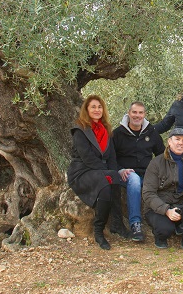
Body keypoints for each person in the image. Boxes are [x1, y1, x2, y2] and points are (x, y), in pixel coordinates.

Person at [67, 95, 124, 250]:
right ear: (86, 109)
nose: (97, 110)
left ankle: (117, 224)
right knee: (105, 183)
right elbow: (87, 157)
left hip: (98, 170)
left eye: (99, 107)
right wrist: (108, 172)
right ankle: (98, 231)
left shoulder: (106, 130)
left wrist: (113, 172)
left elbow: (111, 156)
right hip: (81, 172)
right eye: (93, 107)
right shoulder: (80, 130)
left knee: (115, 179)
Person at [112, 101, 165, 242]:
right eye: (134, 112)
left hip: (147, 175)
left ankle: (167, 224)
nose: (137, 115)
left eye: (140, 113)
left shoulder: (151, 132)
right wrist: (120, 170)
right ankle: (136, 225)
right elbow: (110, 158)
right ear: (129, 113)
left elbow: (162, 155)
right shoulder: (117, 134)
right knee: (134, 180)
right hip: (127, 175)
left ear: (144, 115)